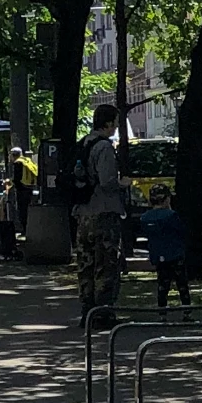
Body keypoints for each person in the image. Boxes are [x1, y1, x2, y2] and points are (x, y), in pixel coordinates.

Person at [75, 105, 132, 327]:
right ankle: (103, 313)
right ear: (107, 123)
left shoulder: (83, 143)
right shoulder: (104, 147)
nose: (116, 127)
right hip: (104, 211)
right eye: (115, 122)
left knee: (86, 264)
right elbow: (107, 182)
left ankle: (87, 311)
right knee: (106, 264)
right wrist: (123, 183)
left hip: (83, 213)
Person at [141, 183, 191, 317]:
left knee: (162, 284)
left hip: (158, 255)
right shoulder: (171, 215)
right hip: (175, 253)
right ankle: (186, 311)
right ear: (167, 199)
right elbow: (181, 231)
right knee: (182, 284)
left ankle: (162, 312)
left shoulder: (145, 218)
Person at [9, 147, 36, 232]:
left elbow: (17, 178)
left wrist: (11, 183)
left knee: (22, 210)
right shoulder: (27, 160)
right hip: (30, 187)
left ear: (13, 155)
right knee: (28, 209)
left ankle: (24, 229)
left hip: (21, 189)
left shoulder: (18, 163)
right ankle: (29, 229)